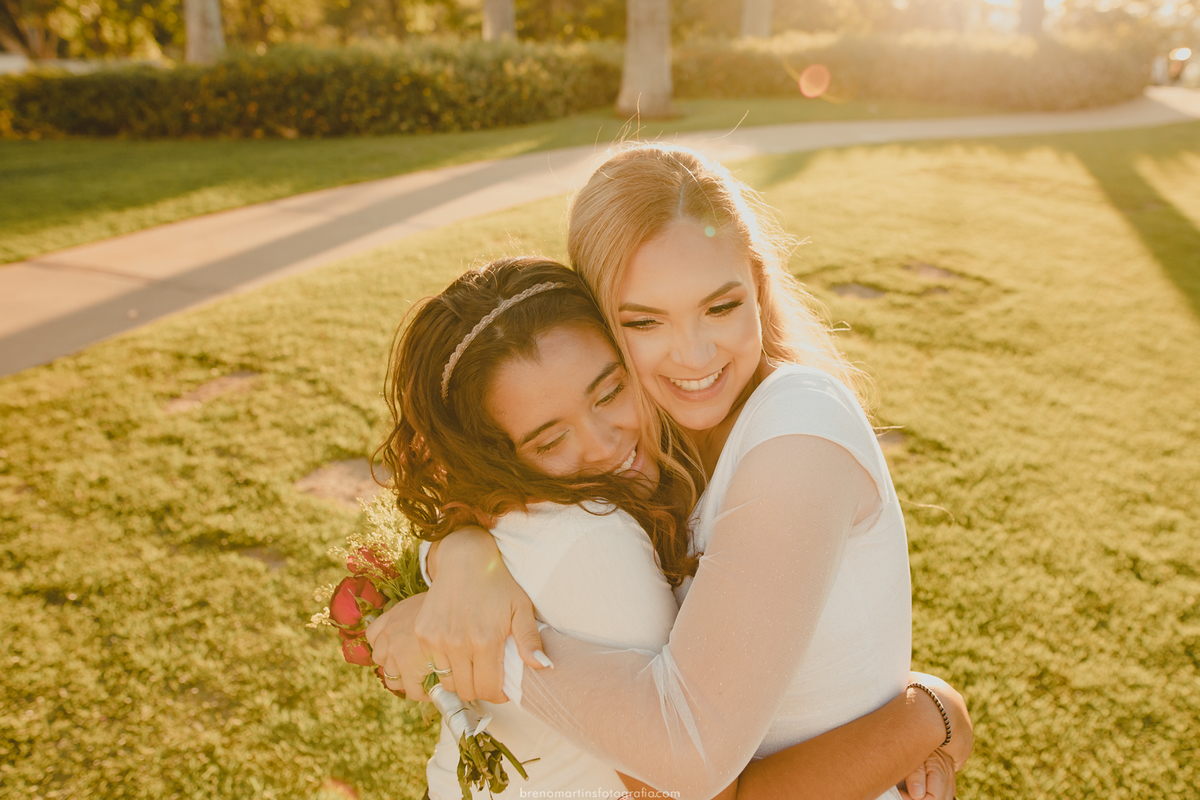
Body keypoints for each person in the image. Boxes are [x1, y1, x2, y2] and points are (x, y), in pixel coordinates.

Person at [370, 254, 970, 800]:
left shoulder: (514, 519)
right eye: (551, 439)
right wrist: (930, 715)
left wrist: (460, 553)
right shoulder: (598, 549)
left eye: (610, 392)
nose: (606, 444)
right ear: (495, 457)